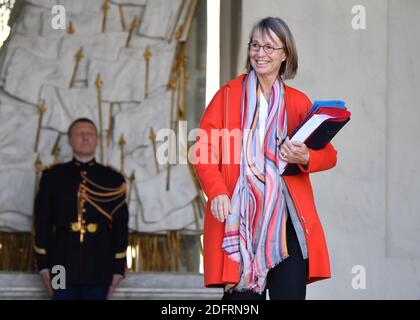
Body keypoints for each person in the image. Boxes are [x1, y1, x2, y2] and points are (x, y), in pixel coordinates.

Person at [193, 17, 337, 300]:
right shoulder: (227, 95)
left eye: (269, 47)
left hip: (287, 227)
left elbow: (329, 155)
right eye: (255, 45)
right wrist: (218, 192)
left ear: (285, 54)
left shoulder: (297, 102)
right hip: (241, 223)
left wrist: (305, 155)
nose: (260, 53)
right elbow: (203, 149)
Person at [33, 118, 129, 300]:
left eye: (90, 133)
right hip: (59, 263)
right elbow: (42, 222)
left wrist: (118, 269)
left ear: (96, 140)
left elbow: (121, 227)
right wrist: (44, 266)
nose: (85, 137)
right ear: (69, 140)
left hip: (100, 265)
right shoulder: (52, 176)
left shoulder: (113, 179)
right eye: (79, 133)